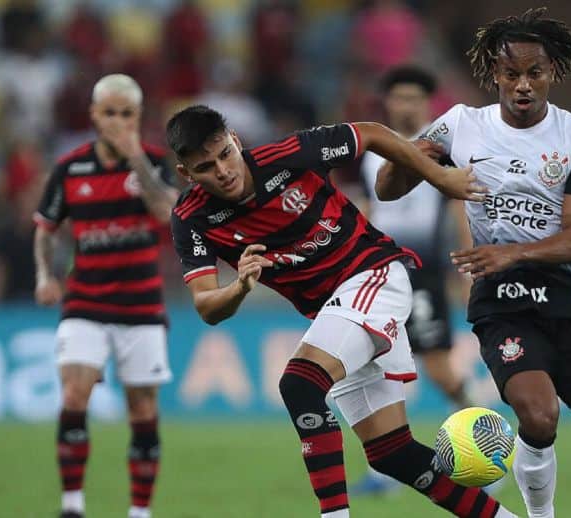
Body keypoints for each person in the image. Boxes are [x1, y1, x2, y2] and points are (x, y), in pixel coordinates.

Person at [165, 104, 517, 518]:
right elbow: (207, 305)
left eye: (225, 153)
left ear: (236, 142)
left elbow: (370, 133)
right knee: (392, 453)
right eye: (206, 166)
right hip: (335, 310)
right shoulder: (192, 219)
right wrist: (239, 287)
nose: (223, 170)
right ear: (187, 174)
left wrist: (439, 176)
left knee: (299, 384)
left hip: (374, 274)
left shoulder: (286, 158)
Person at [375, 8, 571, 518]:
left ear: (551, 73)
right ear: (494, 74)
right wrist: (430, 164)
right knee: (538, 418)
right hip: (502, 300)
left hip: (565, 294)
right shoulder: (460, 126)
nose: (522, 85)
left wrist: (507, 252)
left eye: (533, 73)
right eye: (511, 74)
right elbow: (386, 187)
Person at [33, 74, 178, 518]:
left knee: (142, 408)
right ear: (94, 115)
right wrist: (44, 274)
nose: (117, 121)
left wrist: (135, 158)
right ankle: (72, 506)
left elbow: (168, 213)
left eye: (126, 113)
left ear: (139, 117)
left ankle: (139, 511)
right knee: (74, 394)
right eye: (109, 112)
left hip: (142, 303)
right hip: (85, 300)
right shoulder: (70, 168)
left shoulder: (153, 162)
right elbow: (45, 227)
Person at [352, 65, 475, 495]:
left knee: (439, 369)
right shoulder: (371, 151)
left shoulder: (440, 148)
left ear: (427, 103)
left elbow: (459, 205)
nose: (405, 105)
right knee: (375, 366)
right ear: (387, 102)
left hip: (422, 272)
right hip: (378, 272)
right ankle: (387, 467)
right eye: (398, 97)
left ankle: (481, 434)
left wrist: (466, 266)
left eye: (413, 98)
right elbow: (368, 209)